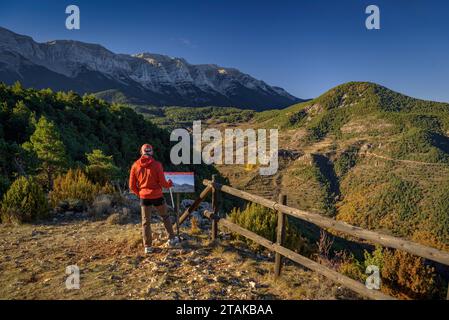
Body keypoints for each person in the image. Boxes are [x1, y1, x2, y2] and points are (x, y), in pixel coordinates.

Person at [129, 144, 179, 254]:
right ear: (151, 152)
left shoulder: (135, 165)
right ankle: (172, 238)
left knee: (146, 222)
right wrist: (169, 184)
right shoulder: (157, 165)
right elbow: (163, 183)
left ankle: (148, 246)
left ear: (141, 152)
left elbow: (132, 186)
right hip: (157, 195)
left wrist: (141, 193)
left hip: (144, 197)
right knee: (165, 216)